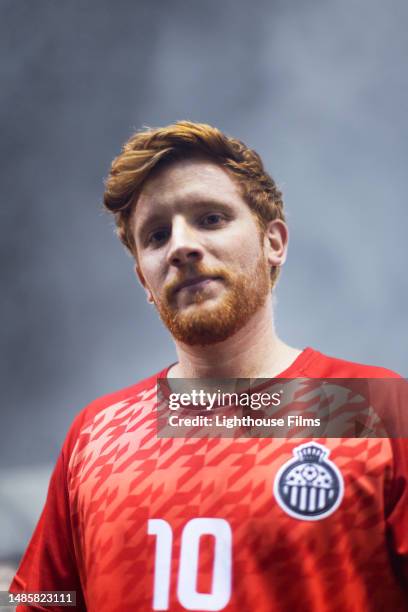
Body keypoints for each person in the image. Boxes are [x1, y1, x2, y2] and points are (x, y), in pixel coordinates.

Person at [10, 121, 407, 611]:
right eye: (156, 235)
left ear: (273, 242)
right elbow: (48, 599)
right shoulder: (96, 435)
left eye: (211, 218)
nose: (181, 246)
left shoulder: (380, 411)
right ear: (143, 280)